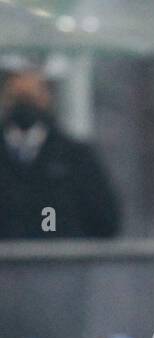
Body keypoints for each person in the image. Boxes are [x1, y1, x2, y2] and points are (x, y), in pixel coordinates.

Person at [0, 68, 121, 239]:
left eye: (30, 98)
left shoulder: (76, 157)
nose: (24, 107)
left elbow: (106, 222)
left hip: (62, 263)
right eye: (18, 98)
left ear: (47, 98)